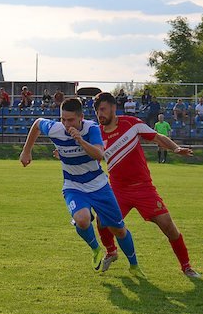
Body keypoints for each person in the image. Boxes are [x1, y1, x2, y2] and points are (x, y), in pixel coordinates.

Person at [20, 98, 144, 276]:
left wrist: (80, 141)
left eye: (70, 120)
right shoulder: (55, 129)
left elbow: (99, 155)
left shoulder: (91, 128)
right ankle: (95, 249)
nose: (65, 124)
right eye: (63, 119)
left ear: (81, 118)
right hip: (73, 186)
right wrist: (26, 150)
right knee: (82, 219)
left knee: (118, 229)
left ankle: (134, 265)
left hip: (99, 186)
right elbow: (38, 123)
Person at [93, 92, 199, 277]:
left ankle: (187, 266)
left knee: (168, 227)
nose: (99, 114)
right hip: (118, 189)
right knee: (102, 221)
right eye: (96, 110)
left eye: (102, 109)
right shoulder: (96, 133)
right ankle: (111, 252)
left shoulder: (131, 124)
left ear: (113, 108)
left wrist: (175, 148)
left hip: (143, 188)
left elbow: (157, 137)